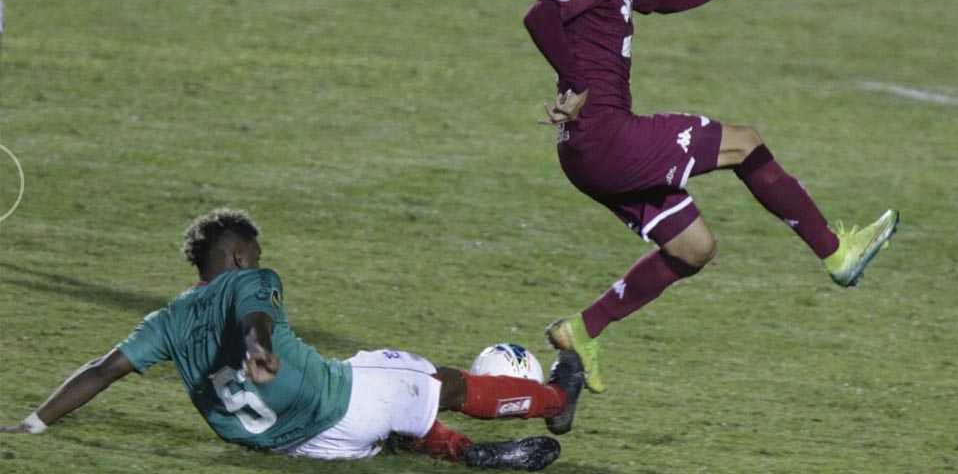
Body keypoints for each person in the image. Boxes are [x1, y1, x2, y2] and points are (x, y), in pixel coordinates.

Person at [523, 0, 898, 394]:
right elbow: (541, 15)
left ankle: (583, 330)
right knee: (744, 141)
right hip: (609, 140)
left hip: (588, 155)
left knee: (693, 248)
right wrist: (580, 83)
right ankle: (837, 253)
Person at [1, 208, 584, 471]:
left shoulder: (163, 324)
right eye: (255, 253)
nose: (262, 261)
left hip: (291, 447)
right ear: (236, 257)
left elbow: (101, 370)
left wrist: (35, 421)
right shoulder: (251, 280)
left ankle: (463, 453)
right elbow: (255, 316)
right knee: (435, 380)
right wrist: (258, 349)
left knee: (393, 428)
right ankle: (559, 398)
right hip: (335, 405)